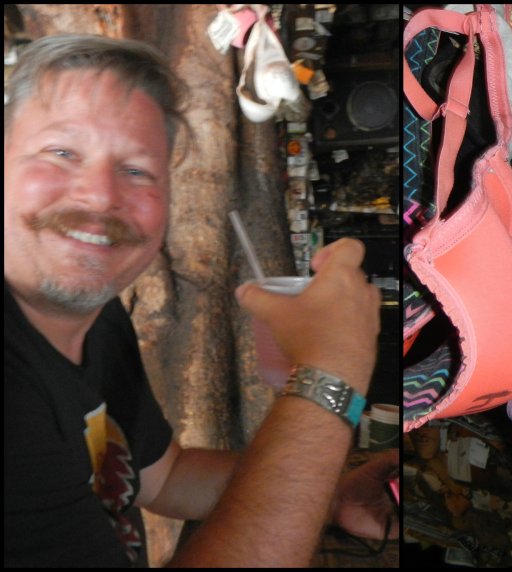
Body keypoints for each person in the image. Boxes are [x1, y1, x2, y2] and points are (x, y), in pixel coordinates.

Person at [4, 34, 397, 567]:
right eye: (61, 152)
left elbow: (165, 477)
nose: (99, 195)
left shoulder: (95, 319)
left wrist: (330, 496)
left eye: (137, 170)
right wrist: (332, 371)